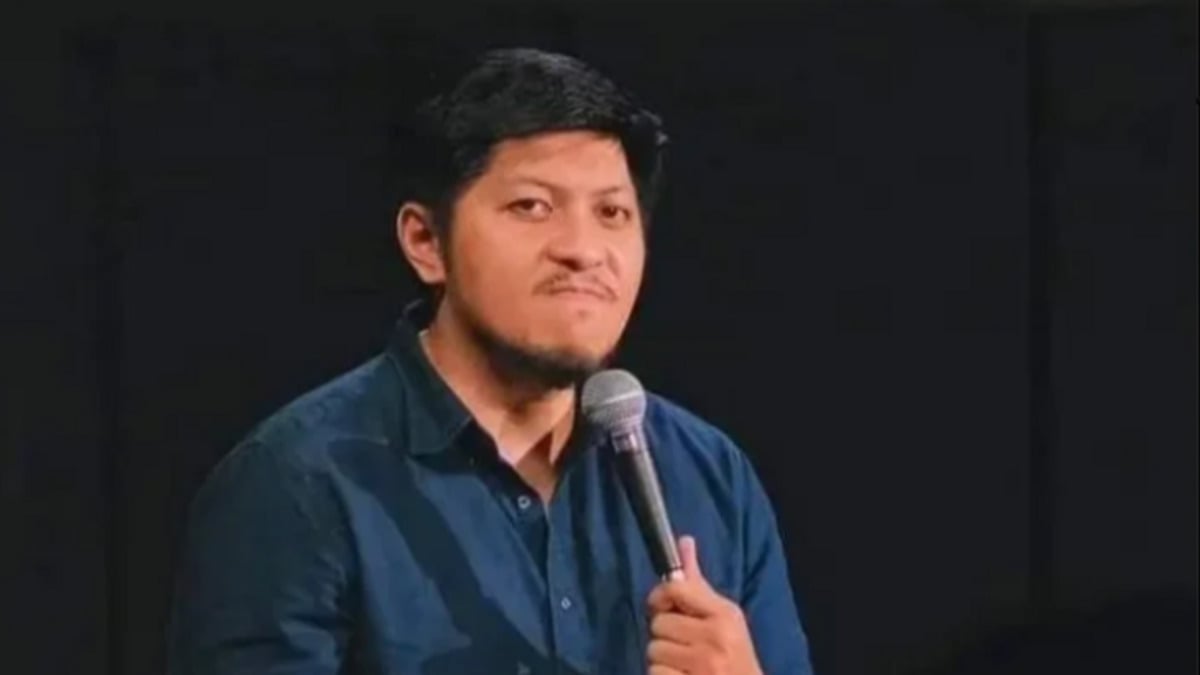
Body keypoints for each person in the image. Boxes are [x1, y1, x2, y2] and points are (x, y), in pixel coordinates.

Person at [167, 47, 814, 675]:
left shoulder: (709, 476)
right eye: (532, 206)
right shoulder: (299, 483)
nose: (583, 249)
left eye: (612, 212)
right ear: (426, 242)